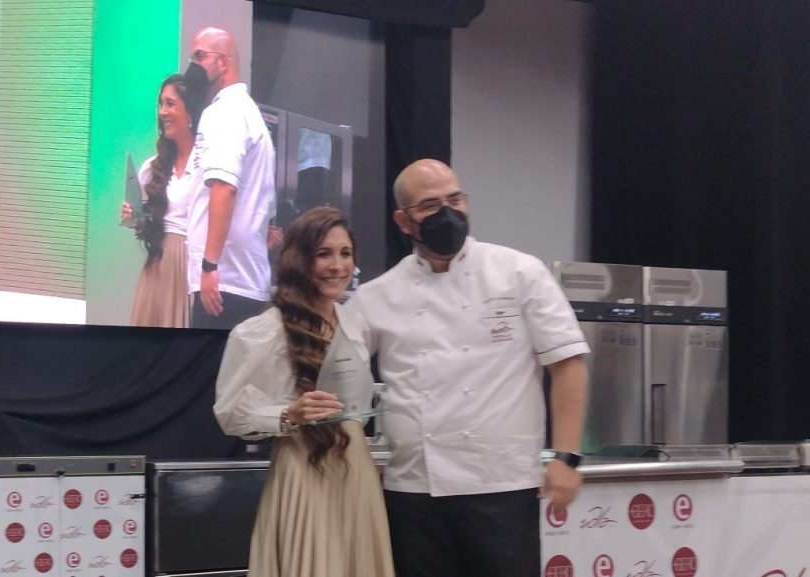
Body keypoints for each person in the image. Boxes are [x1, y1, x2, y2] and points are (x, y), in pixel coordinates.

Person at [346, 159, 590, 577]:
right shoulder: (376, 295)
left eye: (455, 199)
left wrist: (566, 457)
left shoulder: (519, 272)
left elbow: (568, 364)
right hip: (414, 490)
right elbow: (339, 377)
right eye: (430, 205)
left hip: (503, 484)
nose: (448, 213)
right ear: (403, 221)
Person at [214, 206, 395, 577]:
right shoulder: (264, 331)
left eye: (345, 253)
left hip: (355, 467)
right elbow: (229, 413)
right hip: (303, 469)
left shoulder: (355, 324)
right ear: (300, 259)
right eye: (324, 254)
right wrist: (288, 414)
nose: (337, 266)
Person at [184, 26, 276, 329]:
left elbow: (224, 187)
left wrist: (209, 266)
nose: (193, 66)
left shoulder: (224, 112)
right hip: (240, 279)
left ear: (223, 62)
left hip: (224, 281)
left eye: (200, 56)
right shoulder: (247, 112)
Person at [121, 74, 204, 328]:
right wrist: (135, 217)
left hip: (190, 266)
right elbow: (146, 224)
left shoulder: (206, 164)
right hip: (156, 265)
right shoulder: (152, 167)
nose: (162, 112)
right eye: (161, 104)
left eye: (170, 104)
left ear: (190, 113)